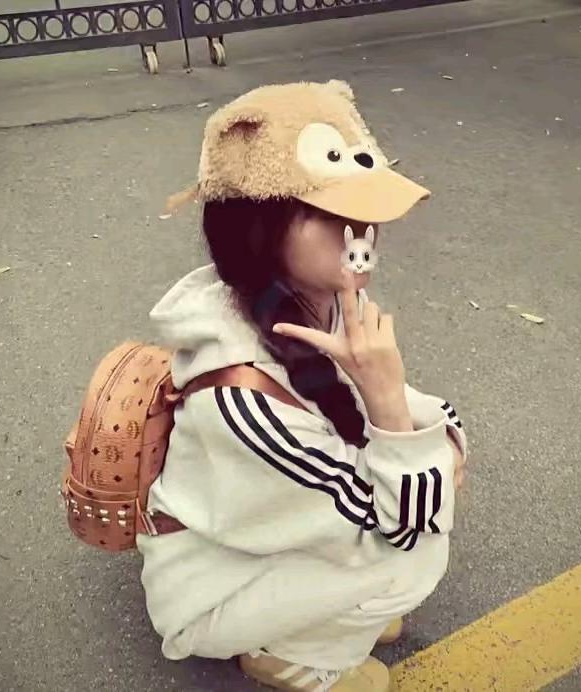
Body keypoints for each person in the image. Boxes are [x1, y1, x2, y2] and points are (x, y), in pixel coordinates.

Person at [138, 80, 468, 692]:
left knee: (418, 499)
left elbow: (382, 434)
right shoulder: (242, 395)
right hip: (208, 587)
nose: (363, 234)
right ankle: (284, 654)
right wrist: (400, 411)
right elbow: (405, 523)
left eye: (367, 213)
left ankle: (324, 615)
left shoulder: (308, 303)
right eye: (337, 217)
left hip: (270, 526)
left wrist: (427, 433)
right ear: (260, 229)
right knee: (415, 557)